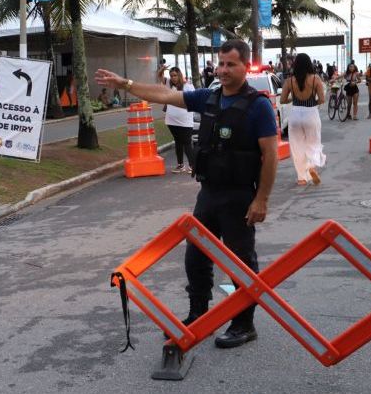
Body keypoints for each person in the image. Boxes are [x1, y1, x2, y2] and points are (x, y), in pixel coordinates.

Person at [96, 39, 278, 349]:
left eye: (231, 64)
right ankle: (198, 314)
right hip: (209, 194)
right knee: (195, 257)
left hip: (239, 197)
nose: (223, 70)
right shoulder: (209, 97)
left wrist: (261, 199)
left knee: (240, 262)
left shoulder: (258, 105)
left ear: (246, 66)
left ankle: (244, 323)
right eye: (221, 64)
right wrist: (126, 84)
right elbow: (165, 95)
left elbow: (270, 155)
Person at [280, 53, 326, 186]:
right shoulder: (315, 79)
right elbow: (322, 99)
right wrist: (312, 103)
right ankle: (311, 166)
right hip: (311, 113)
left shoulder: (290, 80)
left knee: (297, 146)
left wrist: (293, 98)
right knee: (313, 142)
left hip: (295, 114)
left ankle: (301, 177)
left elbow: (282, 100)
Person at [157, 65, 196, 174]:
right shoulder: (169, 84)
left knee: (187, 142)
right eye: (171, 75)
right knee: (178, 142)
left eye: (175, 75)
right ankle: (180, 165)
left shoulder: (188, 86)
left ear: (179, 75)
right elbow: (159, 76)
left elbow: (193, 100)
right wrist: (162, 70)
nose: (173, 78)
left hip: (185, 120)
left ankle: (193, 166)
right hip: (171, 120)